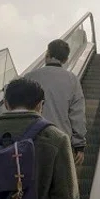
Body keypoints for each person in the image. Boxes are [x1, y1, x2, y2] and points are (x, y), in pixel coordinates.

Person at [23, 39, 87, 167]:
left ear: (47, 55)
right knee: (59, 183)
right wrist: (79, 144)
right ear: (65, 59)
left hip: (30, 139)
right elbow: (77, 114)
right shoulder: (72, 80)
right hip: (60, 141)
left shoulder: (29, 77)